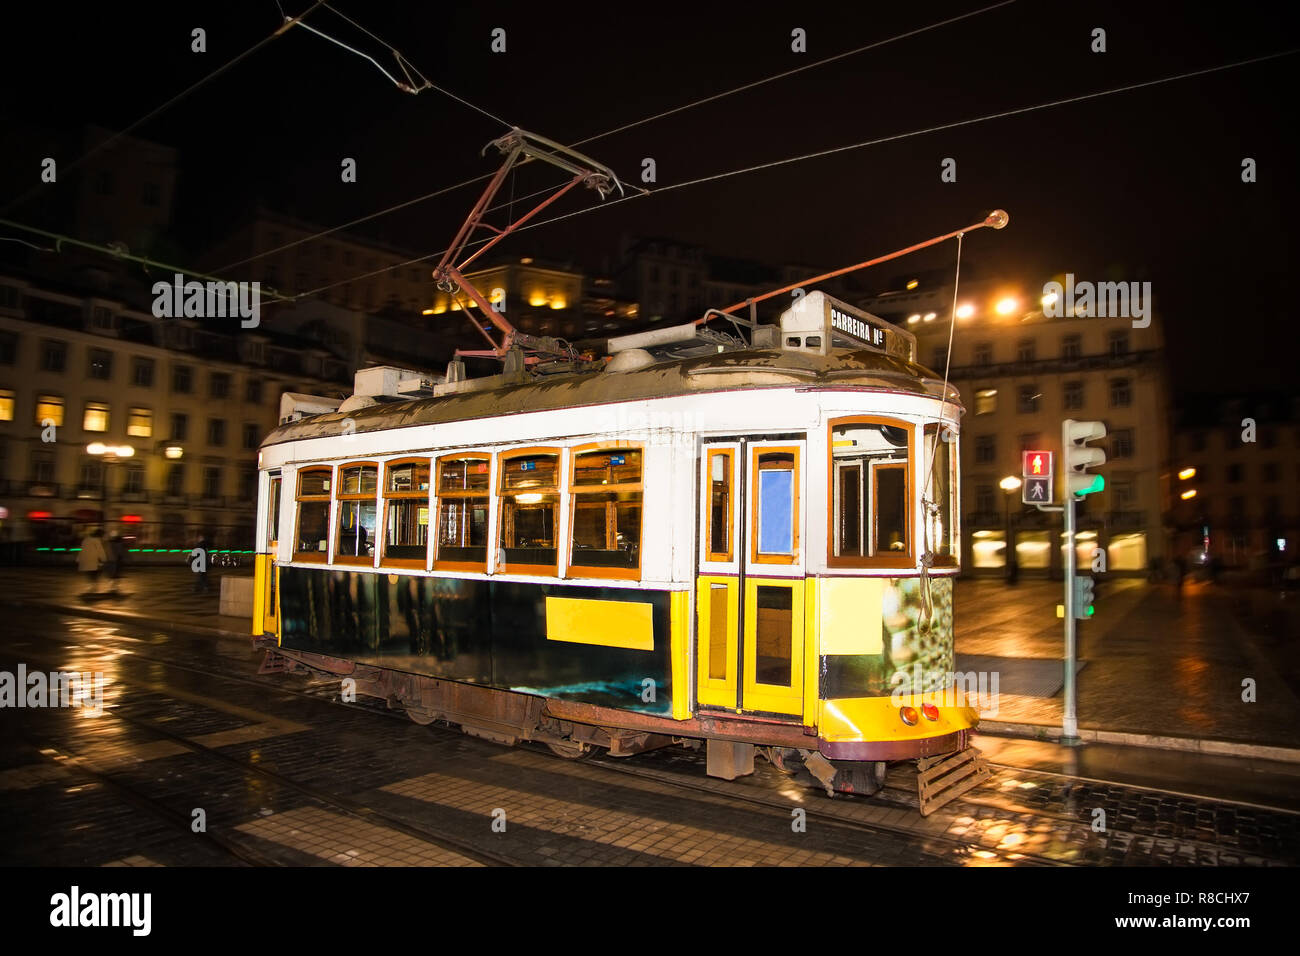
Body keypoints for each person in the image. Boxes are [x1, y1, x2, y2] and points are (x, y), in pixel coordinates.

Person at [78, 528, 108, 595]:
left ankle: (92, 585)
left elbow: (82, 549)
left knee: (89, 572)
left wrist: (79, 559)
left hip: (86, 559)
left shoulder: (85, 540)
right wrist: (104, 559)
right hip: (94, 560)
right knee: (96, 572)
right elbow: (100, 551)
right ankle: (94, 586)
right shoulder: (97, 541)